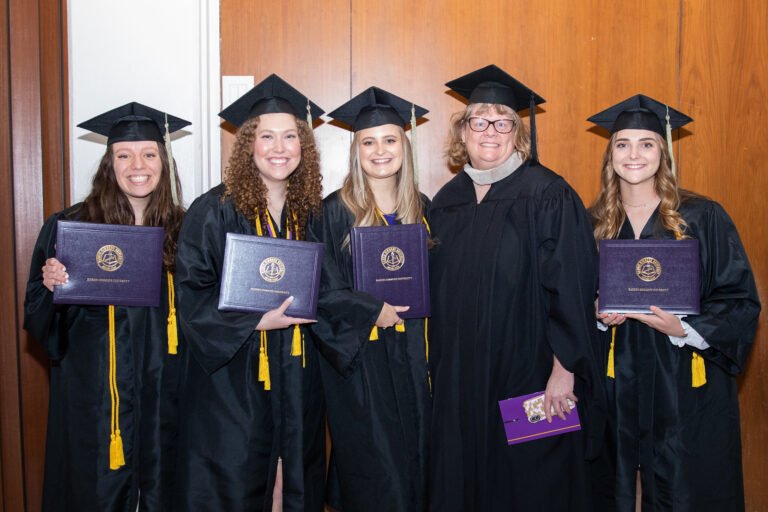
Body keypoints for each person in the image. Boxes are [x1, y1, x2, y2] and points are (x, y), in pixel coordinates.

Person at [427, 65, 605, 511]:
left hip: (530, 375)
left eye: (503, 121)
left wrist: (564, 372)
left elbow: (573, 288)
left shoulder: (548, 194)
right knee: (465, 476)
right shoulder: (447, 202)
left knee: (532, 480)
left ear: (518, 133)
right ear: (463, 133)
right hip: (461, 378)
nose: (490, 131)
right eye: (479, 121)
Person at [589, 94, 761, 510]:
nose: (634, 154)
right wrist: (596, 314)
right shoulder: (592, 222)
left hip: (682, 375)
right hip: (617, 375)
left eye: (646, 143)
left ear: (663, 152)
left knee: (684, 486)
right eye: (622, 144)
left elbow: (739, 298)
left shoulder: (701, 217)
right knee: (609, 482)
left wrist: (685, 328)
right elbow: (568, 299)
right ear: (610, 155)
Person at [23, 102, 189, 511]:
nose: (138, 164)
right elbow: (40, 320)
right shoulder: (72, 227)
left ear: (164, 163)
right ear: (108, 163)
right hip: (95, 393)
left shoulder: (187, 230)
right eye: (124, 154)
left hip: (167, 393)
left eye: (150, 153)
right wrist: (51, 287)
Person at [173, 74, 325, 511]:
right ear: (248, 146)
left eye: (290, 136)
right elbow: (191, 293)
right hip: (234, 381)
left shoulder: (310, 213)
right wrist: (257, 320)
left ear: (304, 146)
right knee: (238, 484)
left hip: (297, 374)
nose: (279, 148)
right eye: (266, 136)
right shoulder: (213, 209)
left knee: (290, 483)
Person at [307, 87, 431, 511]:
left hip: (419, 362)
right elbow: (319, 291)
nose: (380, 151)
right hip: (363, 367)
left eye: (390, 140)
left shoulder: (427, 210)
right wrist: (369, 311)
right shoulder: (331, 213)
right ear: (356, 150)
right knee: (375, 474)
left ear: (405, 145)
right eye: (368, 142)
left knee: (421, 467)